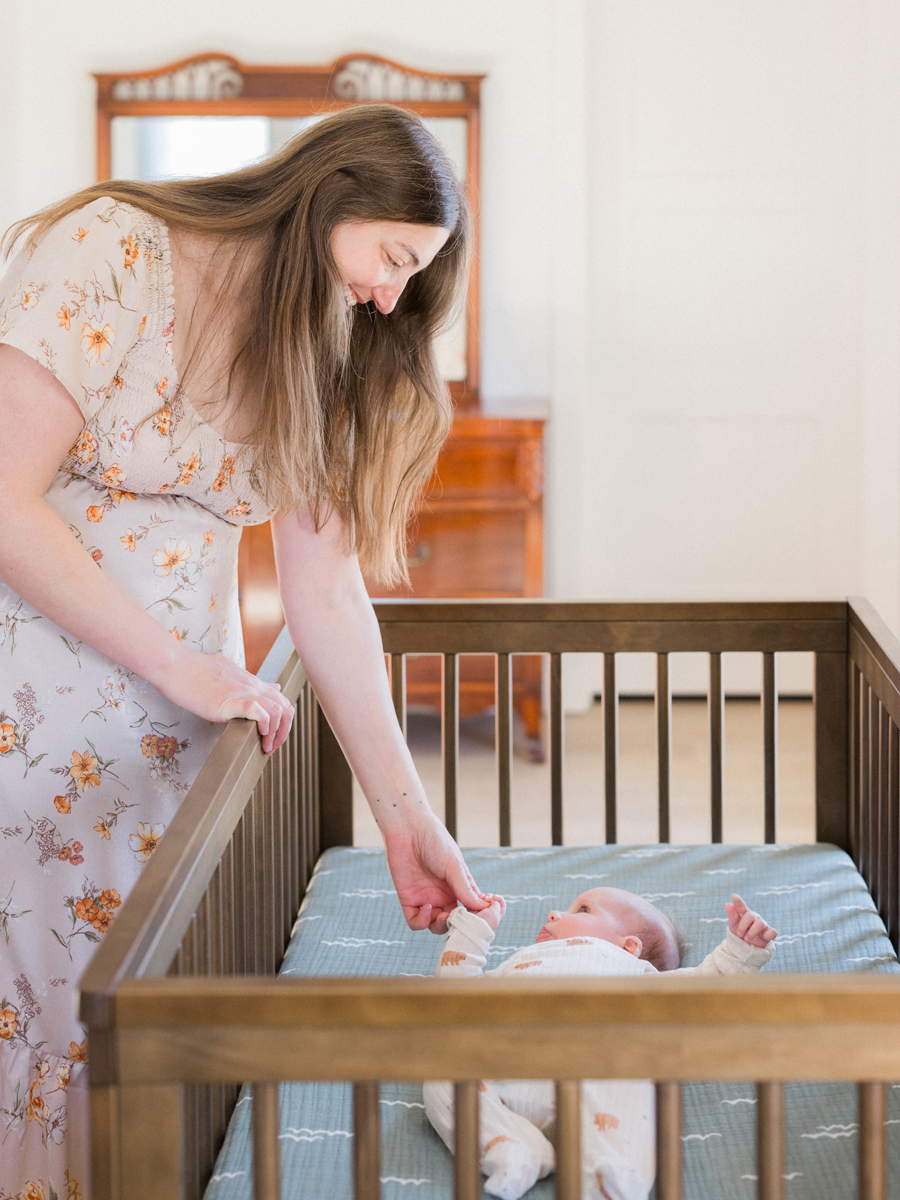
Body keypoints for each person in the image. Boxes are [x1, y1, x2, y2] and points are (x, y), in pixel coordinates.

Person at [0, 104, 489, 1198]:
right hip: (35, 703)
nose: (392, 295)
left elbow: (327, 594)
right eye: (395, 258)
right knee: (46, 1004)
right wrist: (174, 663)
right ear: (331, 198)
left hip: (182, 719)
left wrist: (409, 821)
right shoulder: (117, 251)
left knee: (147, 1009)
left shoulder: (325, 346)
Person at [424, 889, 777, 1200]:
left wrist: (740, 950)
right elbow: (457, 998)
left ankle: (613, 1177)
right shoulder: (515, 966)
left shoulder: (636, 976)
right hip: (505, 1070)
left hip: (596, 1066)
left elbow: (705, 986)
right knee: (442, 1075)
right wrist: (472, 931)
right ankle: (511, 1147)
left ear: (628, 947)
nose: (553, 914)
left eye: (582, 910)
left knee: (627, 1090)